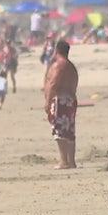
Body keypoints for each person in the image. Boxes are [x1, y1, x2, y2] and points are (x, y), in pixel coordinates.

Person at [44, 40, 78, 170]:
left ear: (56, 51)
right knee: (69, 131)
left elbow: (53, 84)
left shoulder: (58, 65)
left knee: (59, 131)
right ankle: (71, 161)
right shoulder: (72, 67)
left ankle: (64, 161)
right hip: (71, 100)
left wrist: (48, 102)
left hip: (60, 100)